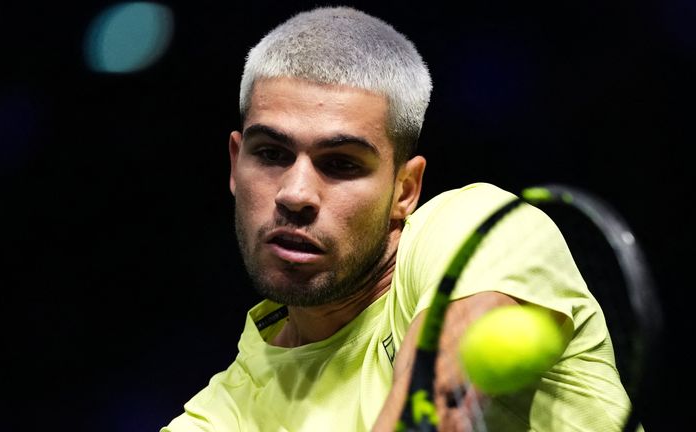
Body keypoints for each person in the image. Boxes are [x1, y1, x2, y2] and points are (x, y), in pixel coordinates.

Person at [162, 6, 634, 431]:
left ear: (404, 190)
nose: (296, 193)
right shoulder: (224, 414)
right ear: (234, 164)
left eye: (341, 163)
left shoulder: (475, 229)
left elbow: (435, 414)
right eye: (271, 153)